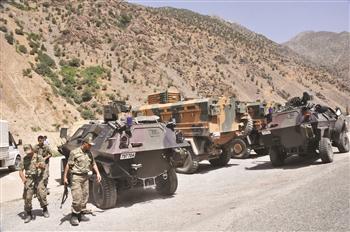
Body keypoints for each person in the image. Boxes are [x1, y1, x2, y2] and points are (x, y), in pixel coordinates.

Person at [63, 137, 102, 226]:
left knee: (85, 196)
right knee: (77, 197)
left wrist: (98, 173)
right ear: (84, 143)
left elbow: (93, 163)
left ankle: (81, 214)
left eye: (91, 145)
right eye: (89, 145)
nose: (90, 146)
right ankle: (74, 216)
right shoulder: (74, 152)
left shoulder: (89, 153)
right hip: (76, 177)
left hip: (85, 177)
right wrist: (65, 177)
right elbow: (68, 165)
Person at [19, 144, 49, 223]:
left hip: (38, 178)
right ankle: (29, 213)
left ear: (32, 149)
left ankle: (45, 209)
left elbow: (44, 167)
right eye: (27, 152)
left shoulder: (38, 157)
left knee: (41, 194)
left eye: (29, 151)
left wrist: (39, 165)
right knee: (27, 197)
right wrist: (24, 179)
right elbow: (20, 171)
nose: (28, 153)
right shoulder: (24, 159)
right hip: (29, 179)